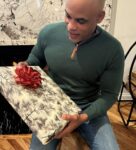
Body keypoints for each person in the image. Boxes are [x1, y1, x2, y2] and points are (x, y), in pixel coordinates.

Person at [19, 0, 124, 149]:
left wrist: (82, 117)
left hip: (89, 108)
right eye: (68, 16)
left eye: (81, 21)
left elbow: (109, 95)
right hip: (52, 106)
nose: (71, 26)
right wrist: (26, 66)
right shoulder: (49, 33)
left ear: (99, 17)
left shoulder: (112, 50)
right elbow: (35, 60)